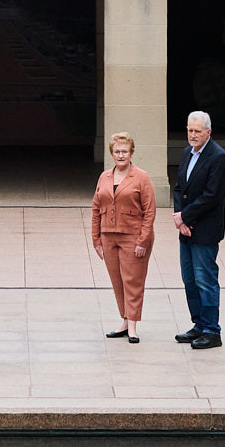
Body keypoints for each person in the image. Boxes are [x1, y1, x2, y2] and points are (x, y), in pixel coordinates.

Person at [87, 132, 156, 343]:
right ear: (111, 154)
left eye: (124, 151)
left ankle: (133, 326)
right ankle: (125, 322)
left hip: (133, 236)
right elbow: (96, 208)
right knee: (117, 281)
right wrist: (96, 239)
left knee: (132, 281)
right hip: (109, 236)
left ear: (131, 153)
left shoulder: (141, 177)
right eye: (117, 151)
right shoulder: (104, 177)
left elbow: (150, 211)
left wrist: (143, 241)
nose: (121, 155)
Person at [170, 109, 225, 348]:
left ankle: (212, 331)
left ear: (208, 132)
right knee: (189, 279)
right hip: (186, 228)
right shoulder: (187, 153)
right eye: (190, 130)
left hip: (204, 230)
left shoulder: (218, 157)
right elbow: (178, 187)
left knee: (205, 280)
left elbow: (212, 196)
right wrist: (180, 218)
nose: (192, 135)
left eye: (197, 131)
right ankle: (199, 325)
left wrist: (186, 216)